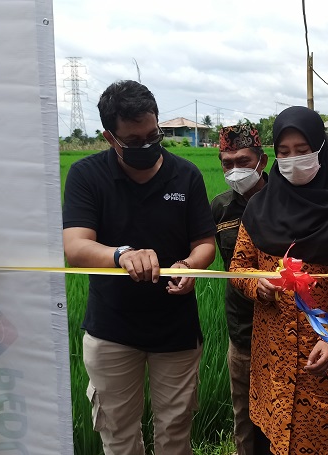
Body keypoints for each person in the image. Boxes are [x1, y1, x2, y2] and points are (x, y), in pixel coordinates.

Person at [62, 80, 216, 455]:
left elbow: (205, 244)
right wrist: (121, 255)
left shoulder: (186, 176)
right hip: (112, 330)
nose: (146, 146)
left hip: (176, 329)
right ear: (109, 136)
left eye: (154, 135)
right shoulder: (87, 176)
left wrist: (188, 266)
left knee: (176, 431)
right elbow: (75, 246)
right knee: (117, 434)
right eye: (133, 141)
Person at [230, 106, 328, 455]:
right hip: (272, 357)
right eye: (284, 152)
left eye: (303, 150)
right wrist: (256, 284)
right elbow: (238, 267)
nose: (294, 159)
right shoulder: (258, 208)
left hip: (327, 358)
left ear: (321, 149)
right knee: (273, 440)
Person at [210, 124, 268, 455]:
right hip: (242, 327)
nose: (235, 170)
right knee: (244, 416)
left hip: (285, 324)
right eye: (226, 162)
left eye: (242, 160)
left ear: (261, 161)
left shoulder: (285, 199)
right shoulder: (219, 208)